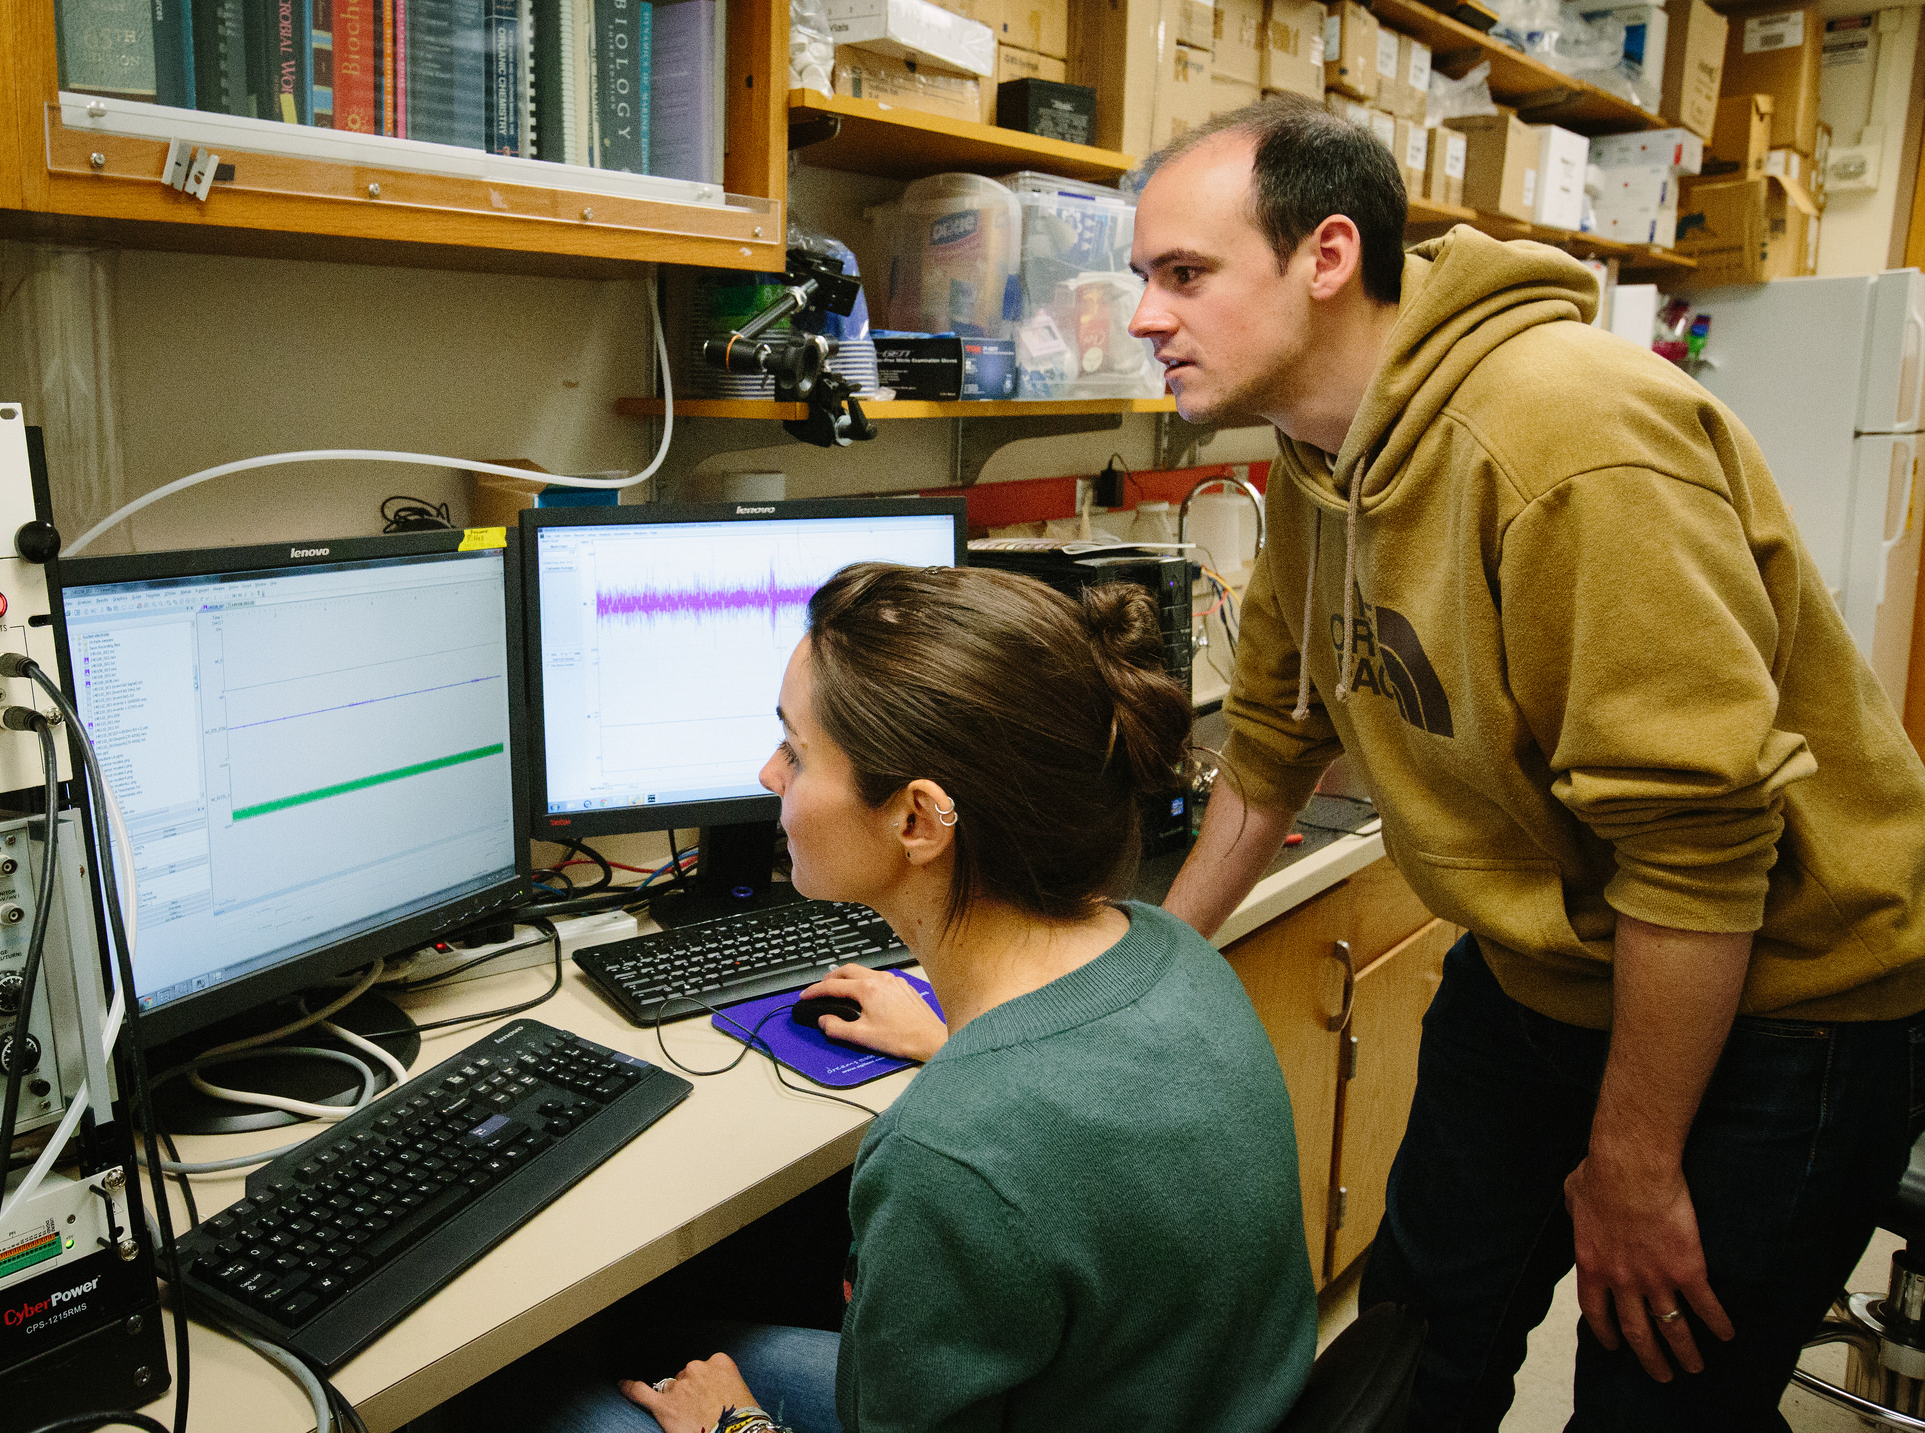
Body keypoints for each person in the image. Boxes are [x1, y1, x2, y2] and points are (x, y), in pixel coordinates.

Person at [1130, 92, 1925, 1430]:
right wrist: (1133, 980)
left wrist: (1633, 1159)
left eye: (1184, 275)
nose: (1147, 314)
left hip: (1785, 998)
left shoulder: (1568, 435)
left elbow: (1694, 838)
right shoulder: (1322, 457)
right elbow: (1272, 746)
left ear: (1327, 257)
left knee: (1652, 1394)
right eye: (1145, 277)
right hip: (1541, 968)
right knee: (1415, 1343)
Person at [502, 562, 1317, 1433]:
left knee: (544, 1398)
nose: (769, 773)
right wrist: (951, 1042)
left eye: (798, 750)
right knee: (666, 1339)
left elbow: (996, 1152)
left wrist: (737, 1427)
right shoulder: (1171, 952)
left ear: (919, 820)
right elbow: (1080, 1121)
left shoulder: (948, 1154)